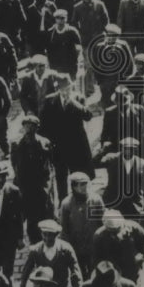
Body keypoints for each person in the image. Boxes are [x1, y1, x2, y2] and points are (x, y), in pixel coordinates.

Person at [39, 73, 94, 203]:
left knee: (77, 176)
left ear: (71, 86)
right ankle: (63, 203)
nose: (66, 91)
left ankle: (77, 200)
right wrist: (46, 142)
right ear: (58, 88)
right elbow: (44, 124)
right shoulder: (49, 100)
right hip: (58, 146)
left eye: (68, 88)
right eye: (63, 88)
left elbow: (88, 116)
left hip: (76, 145)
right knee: (60, 176)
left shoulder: (78, 98)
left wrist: (74, 103)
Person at [10, 113, 54, 245]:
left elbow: (50, 164)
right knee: (29, 216)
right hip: (25, 185)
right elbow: (14, 164)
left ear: (37, 128)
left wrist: (48, 185)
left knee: (45, 212)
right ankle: (33, 242)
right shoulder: (16, 144)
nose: (29, 129)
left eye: (32, 126)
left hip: (41, 184)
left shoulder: (44, 143)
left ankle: (47, 239)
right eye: (26, 126)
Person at [20, 219, 82, 287]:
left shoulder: (66, 249)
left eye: (50, 235)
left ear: (56, 235)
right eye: (44, 234)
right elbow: (28, 267)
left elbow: (76, 272)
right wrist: (23, 282)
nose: (47, 238)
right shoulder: (36, 251)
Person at [59, 171, 105, 277]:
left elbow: (102, 221)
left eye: (85, 183)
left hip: (93, 245)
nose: (84, 187)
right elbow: (64, 229)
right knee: (79, 274)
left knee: (95, 273)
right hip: (76, 246)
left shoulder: (96, 200)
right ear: (74, 187)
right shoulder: (66, 204)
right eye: (81, 184)